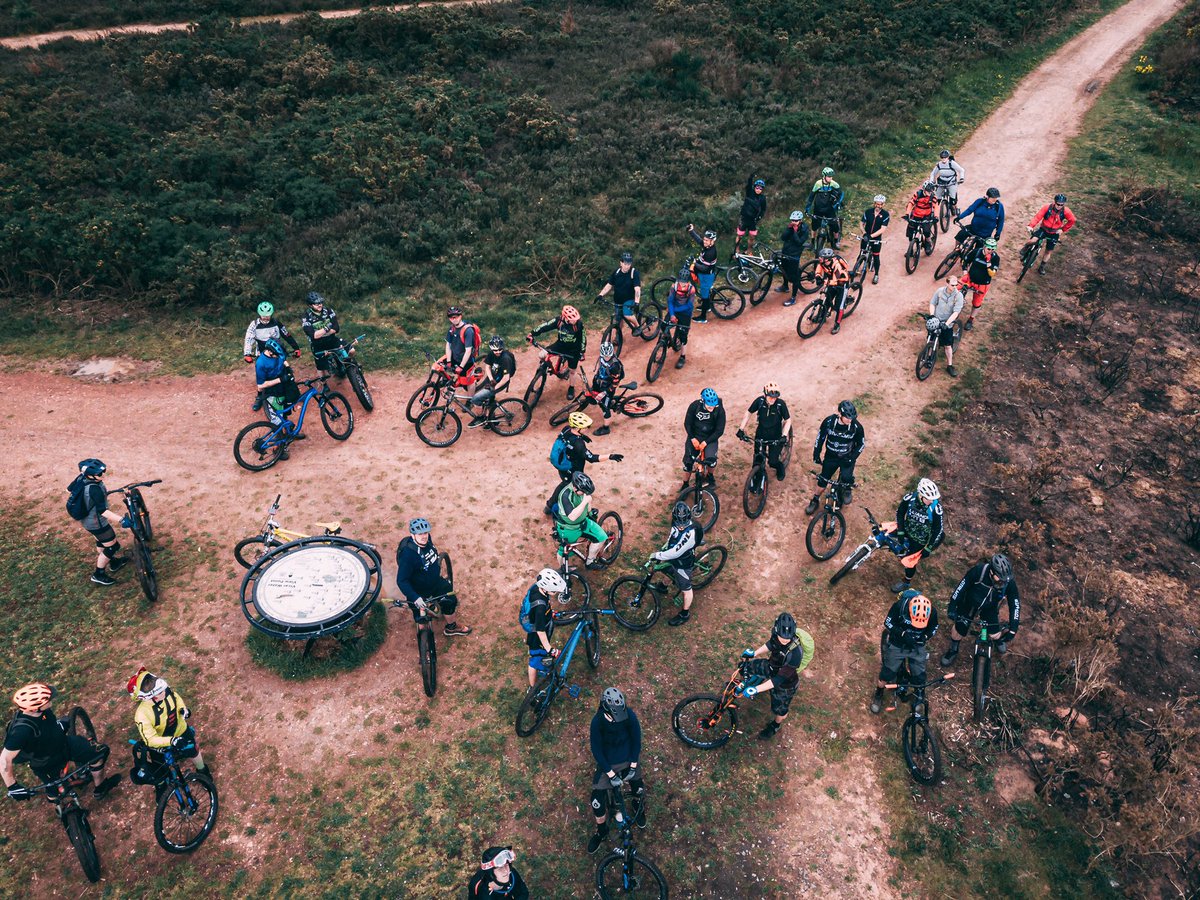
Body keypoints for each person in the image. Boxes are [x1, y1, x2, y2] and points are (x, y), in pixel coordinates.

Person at [3, 683, 122, 803]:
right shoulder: (20, 731)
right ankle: (90, 790)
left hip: (63, 745)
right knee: (97, 756)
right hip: (46, 761)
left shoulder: (39, 711)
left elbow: (46, 726)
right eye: (47, 700)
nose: (51, 701)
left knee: (97, 755)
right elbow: (4, 759)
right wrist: (13, 787)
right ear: (34, 708)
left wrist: (58, 726)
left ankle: (99, 788)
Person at [126, 668, 207, 795]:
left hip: (180, 730)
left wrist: (183, 709)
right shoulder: (141, 715)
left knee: (193, 750)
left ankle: (203, 770)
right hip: (160, 743)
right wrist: (172, 741)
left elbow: (176, 698)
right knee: (159, 767)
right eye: (159, 692)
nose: (164, 692)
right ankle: (161, 786)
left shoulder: (166, 692)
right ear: (147, 698)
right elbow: (150, 739)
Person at [587, 688, 645, 853]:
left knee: (638, 788)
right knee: (596, 801)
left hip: (628, 759)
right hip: (608, 763)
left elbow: (636, 739)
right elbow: (596, 750)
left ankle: (637, 806)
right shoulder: (597, 722)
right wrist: (610, 774)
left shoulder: (629, 715)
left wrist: (633, 765)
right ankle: (601, 831)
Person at [739, 612, 814, 739]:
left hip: (785, 685)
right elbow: (771, 644)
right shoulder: (776, 634)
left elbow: (778, 679)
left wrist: (756, 689)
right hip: (772, 666)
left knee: (779, 710)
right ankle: (751, 683)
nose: (784, 640)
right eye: (781, 637)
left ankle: (775, 725)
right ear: (776, 630)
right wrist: (754, 653)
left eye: (788, 638)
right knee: (744, 667)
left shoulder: (795, 654)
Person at [395, 518, 472, 637]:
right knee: (421, 619)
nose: (424, 536)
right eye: (420, 534)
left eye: (425, 533)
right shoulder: (408, 556)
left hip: (436, 583)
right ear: (412, 535)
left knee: (450, 601)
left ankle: (451, 628)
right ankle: (424, 639)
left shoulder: (427, 539)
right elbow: (401, 580)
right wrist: (415, 597)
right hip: (418, 591)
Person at [940, 554, 1020, 666]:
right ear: (991, 572)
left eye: (1004, 581)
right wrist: (952, 606)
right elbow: (961, 587)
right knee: (959, 630)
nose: (1002, 584)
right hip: (969, 603)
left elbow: (1015, 604)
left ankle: (998, 640)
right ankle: (953, 649)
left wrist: (1013, 628)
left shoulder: (1008, 581)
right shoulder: (979, 571)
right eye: (1000, 580)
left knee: (994, 634)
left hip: (990, 607)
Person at [871, 590, 938, 714]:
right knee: (887, 673)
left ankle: (919, 694)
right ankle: (878, 694)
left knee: (919, 675)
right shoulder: (900, 606)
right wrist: (902, 634)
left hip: (917, 645)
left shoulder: (932, 613)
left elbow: (934, 628)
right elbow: (888, 623)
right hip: (898, 643)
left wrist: (925, 637)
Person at [544, 412, 623, 516]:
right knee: (571, 487)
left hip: (563, 464)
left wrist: (583, 437)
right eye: (586, 426)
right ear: (578, 428)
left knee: (566, 484)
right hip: (573, 470)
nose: (588, 428)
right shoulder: (578, 444)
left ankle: (552, 505)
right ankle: (550, 506)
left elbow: (570, 438)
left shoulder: (567, 429)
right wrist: (610, 456)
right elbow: (592, 458)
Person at [68, 458, 130, 586]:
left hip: (87, 521)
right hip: (96, 522)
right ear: (90, 475)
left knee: (102, 542)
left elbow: (69, 490)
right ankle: (98, 574)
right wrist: (122, 520)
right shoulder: (94, 489)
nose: (103, 475)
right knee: (113, 546)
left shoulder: (81, 478)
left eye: (103, 471)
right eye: (100, 474)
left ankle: (113, 563)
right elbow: (103, 511)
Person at [879, 478, 945, 593]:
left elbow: (938, 529)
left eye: (933, 499)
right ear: (921, 495)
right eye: (929, 499)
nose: (931, 501)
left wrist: (928, 547)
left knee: (909, 561)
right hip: (907, 528)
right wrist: (900, 530)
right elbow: (900, 513)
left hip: (920, 539)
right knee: (880, 530)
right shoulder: (910, 498)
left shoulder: (936, 508)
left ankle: (906, 582)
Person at [806, 400, 865, 514]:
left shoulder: (856, 427)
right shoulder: (828, 422)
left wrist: (852, 457)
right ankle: (815, 500)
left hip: (847, 457)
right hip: (831, 456)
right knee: (823, 480)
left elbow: (861, 444)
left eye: (852, 417)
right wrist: (816, 453)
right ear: (839, 414)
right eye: (847, 417)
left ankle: (847, 488)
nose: (850, 420)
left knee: (847, 477)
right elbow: (820, 438)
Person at [736, 382, 792, 481]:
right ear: (765, 395)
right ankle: (756, 478)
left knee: (772, 462)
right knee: (757, 459)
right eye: (770, 397)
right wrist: (741, 429)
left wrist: (784, 435)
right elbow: (749, 413)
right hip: (761, 434)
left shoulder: (780, 404)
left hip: (776, 436)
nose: (773, 399)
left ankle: (780, 467)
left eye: (775, 397)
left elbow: (788, 420)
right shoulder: (759, 401)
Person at [552, 472, 609, 569]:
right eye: (583, 492)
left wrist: (589, 510)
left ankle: (590, 562)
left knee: (602, 537)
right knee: (564, 551)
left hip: (584, 522)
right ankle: (562, 568)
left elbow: (587, 507)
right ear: (575, 488)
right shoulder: (565, 495)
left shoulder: (581, 491)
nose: (585, 494)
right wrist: (585, 502)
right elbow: (572, 517)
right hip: (568, 528)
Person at [529, 305, 586, 399]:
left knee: (572, 371)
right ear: (565, 318)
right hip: (560, 345)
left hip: (573, 349)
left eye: (576, 319)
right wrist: (532, 333)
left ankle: (571, 387)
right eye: (573, 319)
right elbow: (545, 326)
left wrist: (582, 352)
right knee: (542, 354)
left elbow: (583, 338)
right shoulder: (558, 321)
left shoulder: (579, 324)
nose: (575, 321)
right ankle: (541, 372)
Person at [658, 502, 701, 627]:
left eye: (684, 522)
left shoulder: (690, 534)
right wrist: (666, 546)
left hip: (684, 561)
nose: (681, 526)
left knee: (685, 588)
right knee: (669, 567)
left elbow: (676, 552)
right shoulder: (676, 523)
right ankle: (663, 585)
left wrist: (658, 555)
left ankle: (684, 614)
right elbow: (672, 535)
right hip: (676, 555)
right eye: (678, 522)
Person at [522, 569, 565, 688]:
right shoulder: (540, 608)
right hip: (537, 636)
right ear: (546, 588)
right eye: (554, 590)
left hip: (537, 622)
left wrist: (549, 612)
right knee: (534, 661)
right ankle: (532, 688)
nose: (556, 592)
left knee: (537, 655)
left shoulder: (537, 588)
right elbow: (540, 632)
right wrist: (550, 650)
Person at [255, 338, 301, 441]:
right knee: (276, 421)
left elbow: (283, 359)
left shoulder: (277, 354)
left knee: (284, 413)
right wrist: (280, 380)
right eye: (276, 355)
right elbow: (261, 385)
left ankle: (289, 433)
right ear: (270, 352)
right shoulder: (261, 363)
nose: (277, 358)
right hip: (272, 392)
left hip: (283, 388)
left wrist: (288, 368)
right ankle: (277, 448)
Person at [467, 335, 516, 428]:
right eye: (495, 350)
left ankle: (480, 417)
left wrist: (494, 388)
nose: (497, 352)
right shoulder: (491, 354)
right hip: (493, 378)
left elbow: (506, 378)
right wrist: (491, 379)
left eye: (500, 349)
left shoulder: (505, 359)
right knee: (487, 399)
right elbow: (487, 367)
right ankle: (492, 421)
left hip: (501, 381)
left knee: (476, 399)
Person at [1022, 193, 1076, 275]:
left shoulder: (1066, 211)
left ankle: (1042, 267)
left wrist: (1062, 229)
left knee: (1048, 251)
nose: (1059, 206)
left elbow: (1072, 220)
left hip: (1054, 232)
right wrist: (1031, 226)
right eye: (1058, 204)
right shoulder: (1047, 207)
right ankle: (1026, 247)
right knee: (1033, 240)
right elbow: (1038, 217)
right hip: (1043, 229)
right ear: (1055, 202)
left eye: (1062, 205)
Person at [682, 388, 725, 489]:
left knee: (712, 461)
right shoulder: (694, 406)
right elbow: (687, 423)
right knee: (688, 462)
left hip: (710, 438)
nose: (712, 408)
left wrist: (706, 442)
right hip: (695, 436)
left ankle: (710, 476)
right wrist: (692, 438)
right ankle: (685, 484)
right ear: (703, 401)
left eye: (713, 406)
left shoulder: (719, 410)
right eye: (709, 406)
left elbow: (719, 430)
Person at [595, 252, 643, 337]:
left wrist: (637, 302)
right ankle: (618, 336)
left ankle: (638, 326)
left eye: (629, 263)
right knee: (618, 320)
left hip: (629, 299)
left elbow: (637, 289)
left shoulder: (634, 272)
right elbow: (609, 285)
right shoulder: (616, 273)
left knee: (627, 315)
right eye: (625, 263)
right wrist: (600, 295)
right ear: (621, 263)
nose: (627, 266)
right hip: (618, 300)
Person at [959, 238, 1000, 331]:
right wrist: (965, 272)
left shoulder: (995, 258)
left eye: (993, 249)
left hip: (982, 284)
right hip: (970, 278)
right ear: (984, 247)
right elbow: (965, 260)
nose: (990, 251)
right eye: (989, 249)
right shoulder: (977, 252)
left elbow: (992, 274)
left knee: (976, 303)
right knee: (955, 288)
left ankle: (970, 320)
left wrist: (989, 263)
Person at [928, 276, 965, 377]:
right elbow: (932, 303)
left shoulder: (959, 296)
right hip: (936, 320)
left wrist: (947, 324)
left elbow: (956, 312)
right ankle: (929, 356)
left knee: (948, 346)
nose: (955, 287)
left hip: (947, 323)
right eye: (952, 285)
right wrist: (932, 315)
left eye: (956, 285)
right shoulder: (939, 292)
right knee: (931, 340)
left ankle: (950, 365)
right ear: (947, 284)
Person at [586, 342, 625, 436]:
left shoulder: (615, 366)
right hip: (599, 381)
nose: (606, 357)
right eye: (604, 356)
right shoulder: (602, 357)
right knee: (592, 394)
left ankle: (606, 428)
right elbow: (600, 364)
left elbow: (615, 383)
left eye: (608, 356)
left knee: (605, 407)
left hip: (608, 387)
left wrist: (604, 393)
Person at [301, 291, 346, 373]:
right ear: (310, 305)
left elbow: (336, 327)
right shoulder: (306, 317)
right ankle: (324, 383)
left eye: (320, 302)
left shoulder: (328, 310)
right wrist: (326, 328)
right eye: (316, 303)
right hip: (317, 344)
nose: (320, 305)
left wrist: (322, 333)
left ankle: (347, 366)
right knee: (322, 368)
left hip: (331, 339)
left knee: (350, 350)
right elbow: (313, 335)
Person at [440, 306, 481, 388]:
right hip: (455, 356)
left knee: (469, 381)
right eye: (451, 317)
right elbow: (448, 344)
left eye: (456, 317)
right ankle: (450, 382)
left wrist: (461, 366)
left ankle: (471, 400)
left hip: (466, 360)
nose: (453, 319)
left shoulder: (468, 331)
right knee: (442, 368)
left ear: (460, 316)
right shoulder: (452, 328)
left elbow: (468, 351)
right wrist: (448, 361)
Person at [686, 225, 720, 323]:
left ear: (712, 241)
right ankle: (707, 306)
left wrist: (694, 262)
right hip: (704, 273)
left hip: (706, 275)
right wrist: (691, 231)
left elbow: (704, 268)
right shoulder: (707, 246)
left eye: (707, 240)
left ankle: (703, 317)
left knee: (705, 296)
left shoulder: (711, 252)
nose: (704, 241)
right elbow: (698, 240)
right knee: (704, 293)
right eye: (704, 239)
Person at [776, 211, 811, 306]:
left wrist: (795, 232)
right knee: (784, 269)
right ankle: (785, 286)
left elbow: (799, 242)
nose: (794, 222)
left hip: (795, 254)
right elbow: (783, 238)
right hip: (786, 251)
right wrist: (789, 229)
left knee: (795, 277)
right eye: (792, 220)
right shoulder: (791, 227)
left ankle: (793, 298)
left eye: (796, 220)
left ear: (800, 220)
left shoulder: (805, 229)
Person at [814, 248, 851, 335]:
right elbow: (819, 268)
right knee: (827, 300)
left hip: (841, 283)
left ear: (827, 259)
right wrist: (818, 276)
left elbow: (836, 280)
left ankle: (837, 324)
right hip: (832, 280)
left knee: (839, 306)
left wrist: (825, 281)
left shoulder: (836, 265)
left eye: (821, 257)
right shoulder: (823, 262)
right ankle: (823, 316)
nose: (820, 258)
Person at [805, 167, 845, 248]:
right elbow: (811, 197)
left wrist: (837, 203)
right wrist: (807, 208)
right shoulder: (818, 184)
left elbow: (841, 194)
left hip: (829, 208)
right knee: (814, 226)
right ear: (824, 176)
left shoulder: (834, 184)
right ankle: (812, 242)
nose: (831, 178)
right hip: (818, 208)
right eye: (829, 177)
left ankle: (836, 241)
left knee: (834, 226)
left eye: (831, 177)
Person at [664, 268, 696, 370]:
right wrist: (672, 314)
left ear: (687, 281)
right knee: (663, 325)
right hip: (675, 310)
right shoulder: (674, 286)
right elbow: (670, 301)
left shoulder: (691, 289)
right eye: (681, 282)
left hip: (685, 313)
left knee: (683, 336)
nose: (682, 285)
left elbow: (689, 306)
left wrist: (676, 311)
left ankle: (683, 356)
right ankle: (667, 338)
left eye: (684, 283)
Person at [733, 176, 767, 257]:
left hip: (753, 220)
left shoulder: (762, 198)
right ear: (754, 187)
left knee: (752, 236)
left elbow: (763, 209)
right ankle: (736, 250)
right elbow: (748, 185)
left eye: (760, 189)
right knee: (740, 235)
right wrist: (751, 178)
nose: (758, 190)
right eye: (757, 187)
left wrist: (759, 217)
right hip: (744, 218)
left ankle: (749, 251)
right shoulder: (750, 193)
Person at [860, 195, 890, 285]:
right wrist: (864, 232)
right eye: (877, 204)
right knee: (861, 253)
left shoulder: (885, 215)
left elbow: (883, 229)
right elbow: (861, 223)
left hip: (876, 238)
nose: (878, 206)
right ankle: (856, 268)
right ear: (874, 203)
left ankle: (876, 274)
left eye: (880, 204)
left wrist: (871, 236)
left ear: (883, 204)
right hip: (866, 236)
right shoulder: (868, 212)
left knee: (876, 256)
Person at [903, 181, 938, 255]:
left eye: (931, 190)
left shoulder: (933, 197)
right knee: (910, 231)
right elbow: (911, 203)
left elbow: (936, 207)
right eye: (928, 190)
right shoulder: (918, 194)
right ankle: (910, 249)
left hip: (926, 216)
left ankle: (928, 243)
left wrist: (936, 216)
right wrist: (907, 214)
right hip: (916, 215)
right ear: (924, 189)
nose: (930, 192)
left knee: (926, 231)